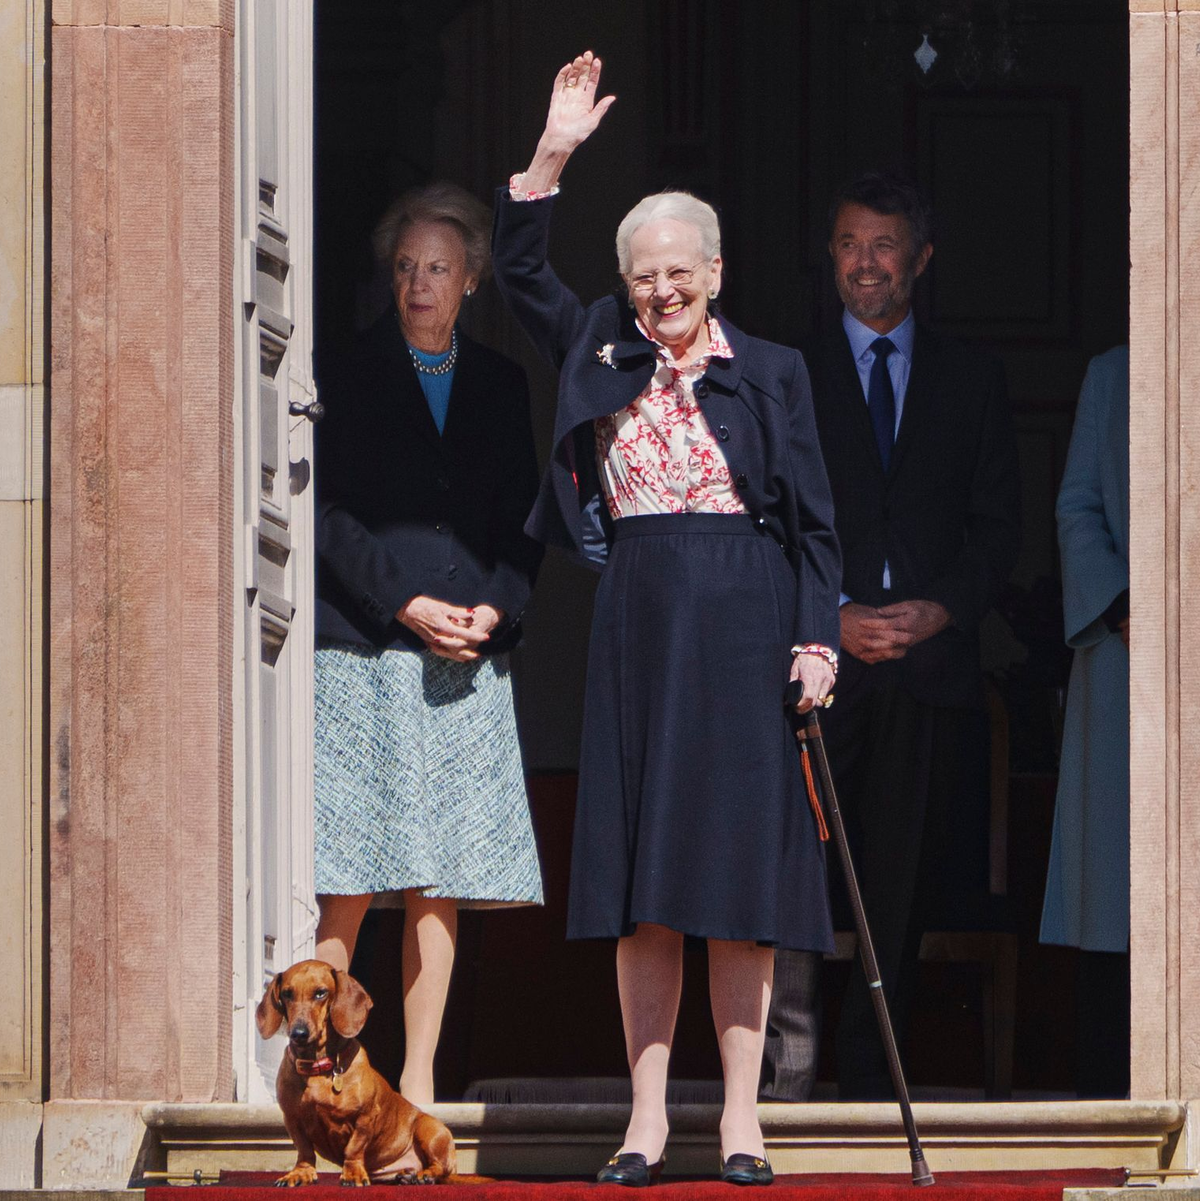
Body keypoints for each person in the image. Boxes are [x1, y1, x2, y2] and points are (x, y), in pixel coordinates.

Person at [492, 53, 841, 1187]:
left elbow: (811, 523)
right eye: (645, 276)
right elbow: (517, 268)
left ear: (717, 273)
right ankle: (645, 1121)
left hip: (746, 621)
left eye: (679, 274)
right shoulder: (600, 342)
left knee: (737, 886)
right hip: (638, 619)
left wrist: (816, 639)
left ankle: (743, 1118)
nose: (662, 293)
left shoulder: (775, 372)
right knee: (646, 887)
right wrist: (552, 154)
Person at [763, 172, 1021, 1102]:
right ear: (828, 256)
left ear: (920, 257)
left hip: (922, 673)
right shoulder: (782, 374)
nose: (864, 263)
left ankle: (874, 1088)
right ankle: (784, 1081)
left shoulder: (973, 378)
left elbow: (1000, 531)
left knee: (898, 886)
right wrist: (825, 613)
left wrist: (939, 609)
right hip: (812, 666)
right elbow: (762, 521)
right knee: (789, 874)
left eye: (883, 245)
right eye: (847, 244)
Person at [312, 181, 544, 1108]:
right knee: (352, 872)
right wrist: (403, 602)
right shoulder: (344, 370)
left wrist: (494, 611)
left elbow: (526, 520)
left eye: (438, 268)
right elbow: (322, 514)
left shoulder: (501, 383)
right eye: (406, 267)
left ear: (472, 280)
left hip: (463, 659)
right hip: (365, 650)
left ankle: (417, 1078)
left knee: (437, 875)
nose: (419, 283)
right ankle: (318, 1069)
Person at [1040, 345, 1130, 1098]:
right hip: (1127, 650)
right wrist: (1124, 603)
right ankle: (1106, 1092)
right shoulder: (1111, 373)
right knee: (1116, 887)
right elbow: (1077, 506)